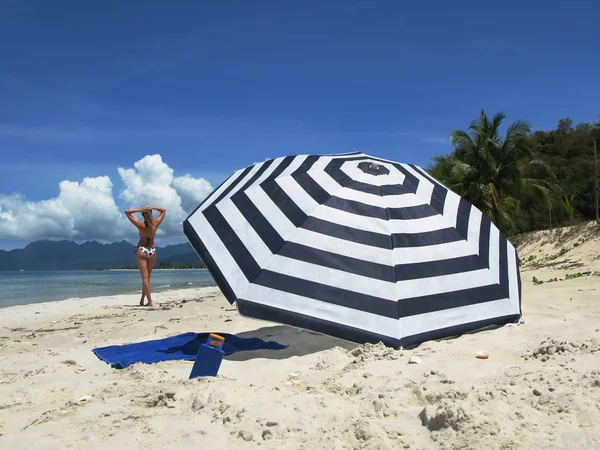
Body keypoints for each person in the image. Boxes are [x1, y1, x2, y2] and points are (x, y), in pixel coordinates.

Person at [124, 205, 167, 306]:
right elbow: (163, 210)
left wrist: (140, 210)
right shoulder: (155, 224)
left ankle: (150, 302)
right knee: (148, 278)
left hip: (142, 249)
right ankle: (143, 300)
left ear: (143, 215)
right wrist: (152, 207)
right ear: (151, 213)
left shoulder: (140, 225)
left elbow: (126, 211)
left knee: (145, 278)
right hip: (152, 249)